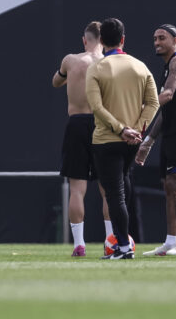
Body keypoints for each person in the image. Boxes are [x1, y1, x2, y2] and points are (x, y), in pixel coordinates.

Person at [85, 18, 159, 260]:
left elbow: (96, 107)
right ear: (123, 39)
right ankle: (123, 244)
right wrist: (135, 130)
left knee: (115, 194)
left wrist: (120, 129)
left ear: (102, 41)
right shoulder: (140, 66)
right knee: (123, 187)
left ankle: (124, 247)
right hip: (131, 142)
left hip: (107, 141)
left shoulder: (96, 68)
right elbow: (153, 103)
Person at [137, 24, 176, 257]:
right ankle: (170, 241)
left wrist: (138, 108)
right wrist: (149, 141)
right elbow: (166, 110)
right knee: (168, 186)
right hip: (170, 131)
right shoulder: (166, 66)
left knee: (175, 184)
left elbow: (167, 95)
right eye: (154, 38)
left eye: (162, 38)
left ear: (175, 39)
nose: (157, 42)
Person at [53, 21, 113, 257]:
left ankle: (79, 244)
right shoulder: (109, 63)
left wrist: (70, 77)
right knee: (107, 188)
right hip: (102, 124)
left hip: (77, 124)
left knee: (77, 189)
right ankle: (111, 241)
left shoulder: (71, 60)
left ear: (84, 39)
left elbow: (55, 81)